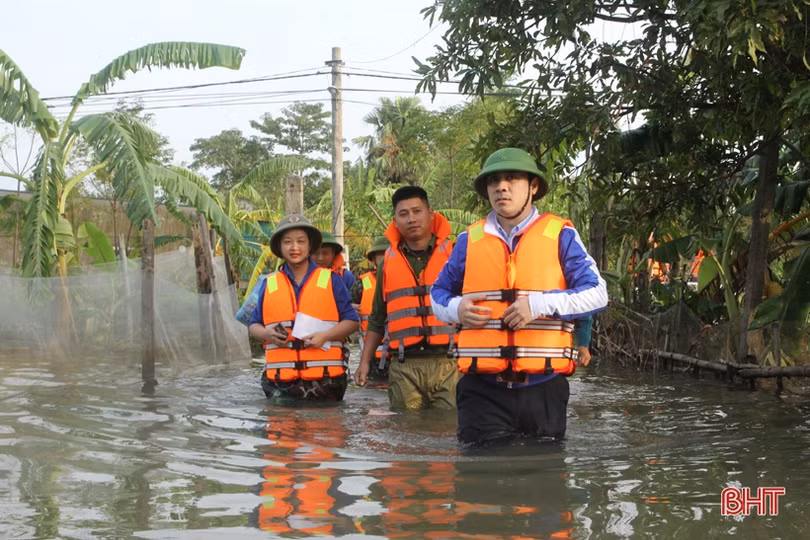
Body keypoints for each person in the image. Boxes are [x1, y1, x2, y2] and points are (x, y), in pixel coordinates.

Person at [430, 148, 608, 445]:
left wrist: (538, 304)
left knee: (544, 470)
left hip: (544, 388)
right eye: (494, 180)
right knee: (480, 470)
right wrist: (456, 309)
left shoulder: (560, 235)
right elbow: (437, 294)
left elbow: (597, 293)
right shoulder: (469, 240)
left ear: (533, 186)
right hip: (482, 391)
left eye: (512, 178)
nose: (502, 186)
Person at [353, 186, 459, 409]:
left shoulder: (454, 255)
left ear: (431, 214)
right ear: (395, 221)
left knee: (449, 426)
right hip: (403, 366)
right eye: (404, 214)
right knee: (404, 427)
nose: (411, 219)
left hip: (450, 363)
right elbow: (377, 319)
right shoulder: (387, 263)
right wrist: (364, 362)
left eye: (417, 211)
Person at [248, 214, 359, 401]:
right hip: (279, 384)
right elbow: (254, 325)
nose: (294, 247)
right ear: (279, 247)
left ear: (310, 245)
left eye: (301, 241)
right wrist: (266, 334)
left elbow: (352, 322)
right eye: (287, 242)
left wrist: (325, 336)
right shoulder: (269, 283)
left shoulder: (332, 280)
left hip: (326, 382)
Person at [350, 236, 391, 381]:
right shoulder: (361, 285)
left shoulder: (407, 281)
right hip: (373, 356)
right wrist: (351, 307)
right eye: (382, 256)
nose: (386, 259)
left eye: (389, 254)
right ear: (374, 260)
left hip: (402, 355)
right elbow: (343, 307)